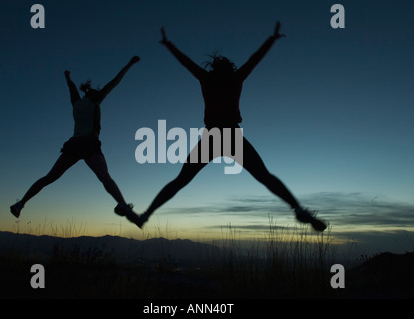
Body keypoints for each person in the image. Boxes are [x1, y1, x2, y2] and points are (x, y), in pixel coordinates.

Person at [137, 23, 327, 231]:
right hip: (231, 135)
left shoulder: (207, 78)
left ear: (214, 68)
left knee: (181, 180)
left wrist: (168, 44)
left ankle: (146, 214)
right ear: (230, 68)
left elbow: (186, 62)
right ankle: (298, 208)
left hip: (212, 137)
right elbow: (254, 59)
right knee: (264, 176)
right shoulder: (236, 78)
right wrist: (271, 39)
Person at [10, 56, 141, 225]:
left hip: (74, 144)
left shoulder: (76, 104)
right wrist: (129, 64)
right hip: (89, 144)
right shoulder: (96, 101)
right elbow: (114, 82)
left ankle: (20, 204)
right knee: (104, 177)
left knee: (49, 177)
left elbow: (71, 88)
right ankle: (122, 204)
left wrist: (68, 77)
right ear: (95, 96)